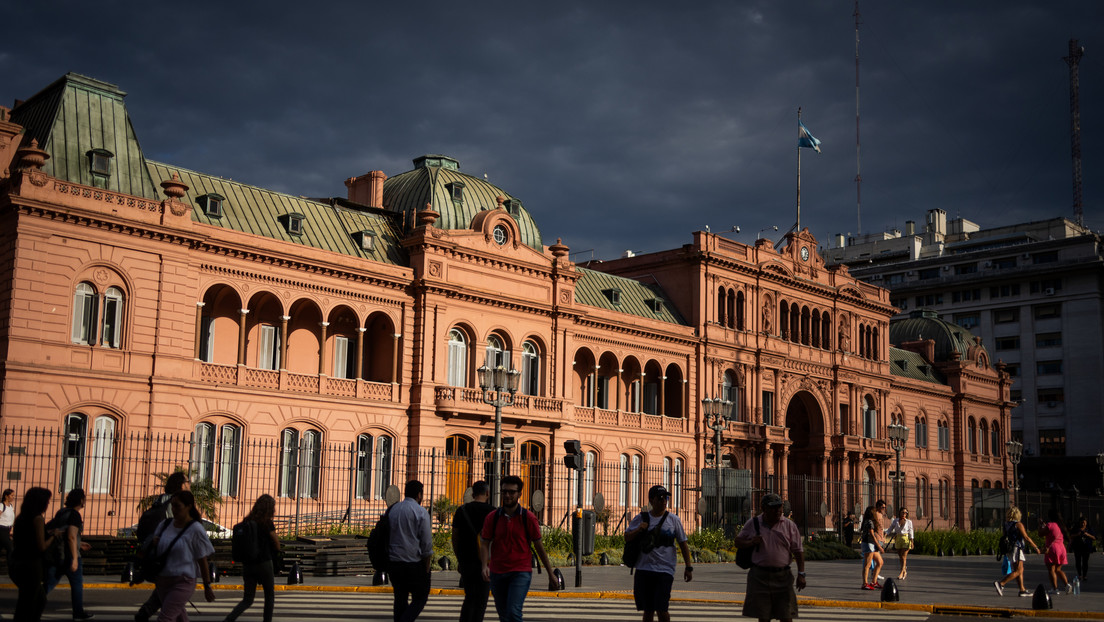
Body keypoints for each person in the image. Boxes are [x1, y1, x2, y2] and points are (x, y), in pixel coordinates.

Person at [480, 474, 559, 622]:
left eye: (511, 492)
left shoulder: (528, 518)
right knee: (503, 615)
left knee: (513, 612)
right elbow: (484, 543)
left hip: (520, 572)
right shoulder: (493, 517)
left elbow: (539, 545)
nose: (507, 495)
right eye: (504, 492)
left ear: (519, 494)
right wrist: (484, 565)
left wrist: (550, 573)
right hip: (497, 572)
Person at [625, 485, 693, 622]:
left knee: (662, 609)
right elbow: (627, 537)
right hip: (644, 570)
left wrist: (688, 567)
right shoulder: (641, 518)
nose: (664, 502)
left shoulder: (674, 520)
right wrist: (639, 529)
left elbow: (683, 543)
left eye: (666, 498)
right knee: (648, 610)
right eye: (660, 498)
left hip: (664, 571)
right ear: (651, 500)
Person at [734, 493, 805, 622]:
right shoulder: (754, 523)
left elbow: (798, 552)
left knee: (786, 615)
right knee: (763, 616)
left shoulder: (789, 525)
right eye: (773, 507)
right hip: (760, 576)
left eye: (779, 507)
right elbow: (738, 541)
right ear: (764, 509)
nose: (778, 511)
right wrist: (751, 542)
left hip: (783, 576)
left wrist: (801, 574)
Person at [147, 490, 216, 621]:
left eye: (177, 506)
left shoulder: (195, 529)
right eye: (172, 505)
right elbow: (154, 549)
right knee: (180, 618)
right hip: (162, 580)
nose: (173, 509)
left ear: (188, 506)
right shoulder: (165, 525)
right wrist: (154, 543)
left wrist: (207, 586)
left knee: (165, 618)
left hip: (183, 581)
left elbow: (202, 560)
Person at [136, 471, 190, 622]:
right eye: (187, 482)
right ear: (181, 485)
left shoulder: (160, 501)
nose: (189, 485)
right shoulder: (175, 503)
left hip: (156, 551)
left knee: (166, 587)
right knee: (175, 591)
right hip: (168, 553)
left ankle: (145, 612)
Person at [224, 494, 280, 622]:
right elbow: (276, 543)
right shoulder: (267, 523)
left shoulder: (247, 521)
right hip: (264, 562)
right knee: (269, 596)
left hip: (248, 564)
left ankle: (229, 619)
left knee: (247, 599)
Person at [9, 486, 62, 622]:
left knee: (31, 600)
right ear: (40, 502)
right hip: (32, 564)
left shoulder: (21, 518)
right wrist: (54, 536)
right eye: (47, 501)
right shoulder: (37, 519)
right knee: (32, 603)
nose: (48, 504)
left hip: (17, 562)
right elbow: (41, 546)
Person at [44, 488, 94, 620]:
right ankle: (78, 612)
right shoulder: (75, 515)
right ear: (81, 500)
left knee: (49, 584)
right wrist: (75, 559)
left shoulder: (61, 512)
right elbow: (71, 536)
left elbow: (62, 533)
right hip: (69, 556)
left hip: (57, 555)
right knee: (77, 585)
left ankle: (31, 604)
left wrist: (80, 543)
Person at [388, 480, 433, 622]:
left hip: (394, 563)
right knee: (420, 597)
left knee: (400, 598)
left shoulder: (393, 510)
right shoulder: (421, 512)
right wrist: (427, 566)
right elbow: (426, 543)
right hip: (414, 563)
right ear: (419, 495)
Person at [452, 480, 495, 622]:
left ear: (472, 493)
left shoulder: (461, 510)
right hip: (487, 562)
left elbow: (455, 538)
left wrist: (459, 558)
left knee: (469, 597)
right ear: (488, 493)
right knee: (482, 599)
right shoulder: (493, 512)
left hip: (466, 560)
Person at [995, 506, 1040, 597]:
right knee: (1019, 570)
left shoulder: (1006, 525)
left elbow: (1005, 537)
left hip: (1010, 550)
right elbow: (1026, 537)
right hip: (1017, 548)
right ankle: (1001, 583)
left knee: (1018, 570)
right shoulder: (1018, 524)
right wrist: (1035, 547)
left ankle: (1022, 590)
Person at [1041, 509, 1072, 595]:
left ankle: (1055, 588)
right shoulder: (1061, 525)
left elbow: (1041, 534)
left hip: (1052, 549)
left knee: (1051, 569)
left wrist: (1041, 526)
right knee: (1058, 569)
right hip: (1061, 548)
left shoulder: (1050, 525)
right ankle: (1067, 584)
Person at [859, 505, 884, 590]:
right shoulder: (869, 522)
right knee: (867, 564)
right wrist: (879, 546)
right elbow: (872, 535)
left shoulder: (868, 521)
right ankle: (865, 583)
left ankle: (874, 581)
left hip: (871, 544)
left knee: (880, 562)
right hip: (868, 543)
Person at [886, 507, 914, 580]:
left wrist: (912, 542)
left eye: (905, 513)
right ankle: (904, 570)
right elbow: (890, 528)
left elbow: (911, 531)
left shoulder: (909, 522)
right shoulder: (896, 521)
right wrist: (886, 534)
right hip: (898, 539)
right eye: (903, 512)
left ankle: (902, 572)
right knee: (900, 556)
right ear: (900, 513)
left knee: (904, 556)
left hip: (906, 539)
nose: (904, 514)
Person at [1070, 516, 1096, 582]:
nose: (1083, 524)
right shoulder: (1076, 528)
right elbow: (1071, 535)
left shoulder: (1089, 529)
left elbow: (1094, 537)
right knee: (1078, 561)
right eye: (1081, 522)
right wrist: (1077, 535)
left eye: (1084, 522)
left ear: (1086, 523)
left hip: (1086, 548)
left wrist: (1087, 535)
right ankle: (1079, 574)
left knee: (1085, 562)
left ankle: (1084, 575)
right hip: (1077, 547)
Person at [0, 488, 14, 561]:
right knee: (10, 548)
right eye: (11, 495)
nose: (13, 497)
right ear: (6, 496)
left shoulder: (11, 506)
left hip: (7, 530)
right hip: (2, 529)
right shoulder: (2, 505)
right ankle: (10, 567)